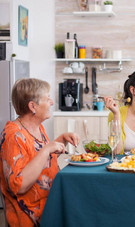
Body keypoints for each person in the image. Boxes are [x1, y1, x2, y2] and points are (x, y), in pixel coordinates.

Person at [0, 78, 79, 226]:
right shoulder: (13, 136)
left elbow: (37, 160)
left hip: (49, 203)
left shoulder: (36, 127)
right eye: (47, 98)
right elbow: (19, 185)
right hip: (28, 215)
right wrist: (47, 148)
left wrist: (60, 140)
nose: (52, 102)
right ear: (32, 106)